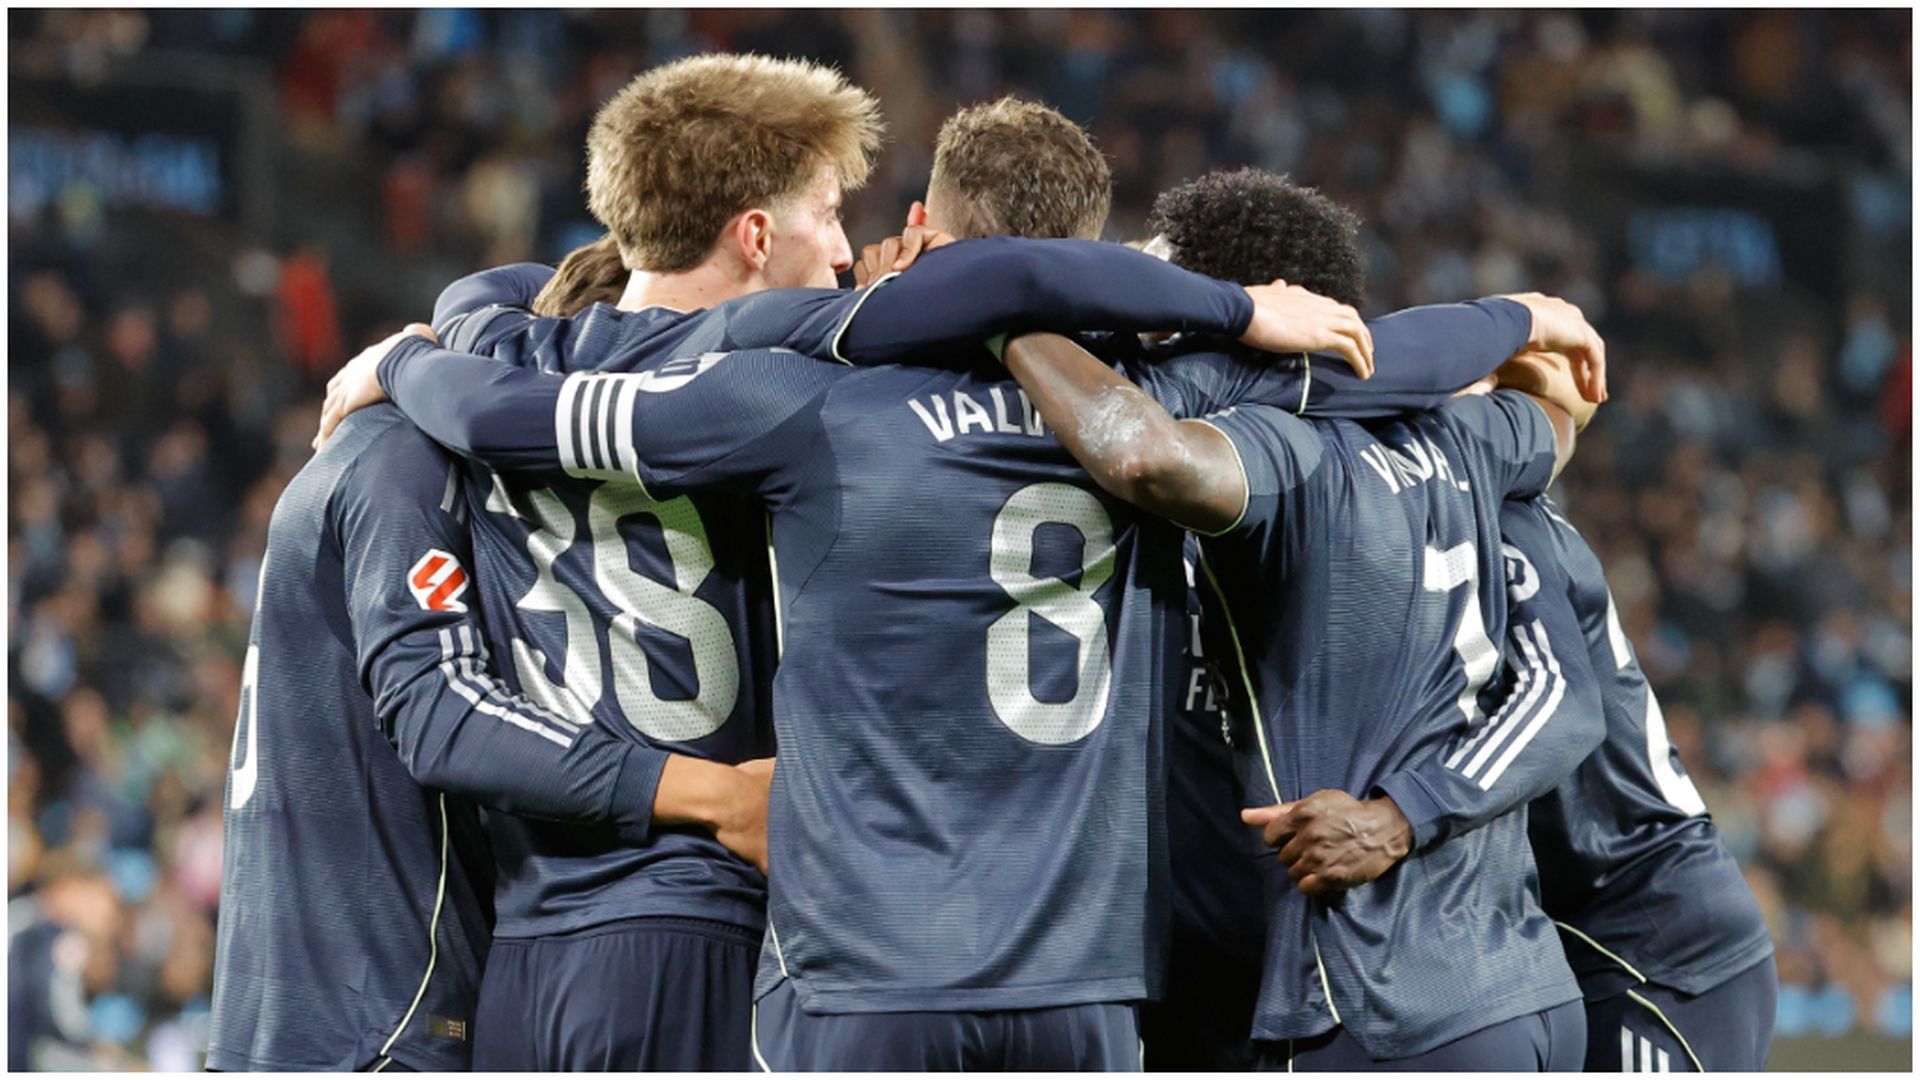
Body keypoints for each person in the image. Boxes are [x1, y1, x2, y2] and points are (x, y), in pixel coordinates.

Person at [327, 101, 1602, 1069]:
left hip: (859, 981)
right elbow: (1377, 365)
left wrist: (427, 345)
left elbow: (518, 417)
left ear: (924, 233)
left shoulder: (802, 397)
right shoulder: (1167, 388)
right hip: (1080, 983)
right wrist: (1515, 315)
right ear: (1096, 257)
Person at [995, 303, 1598, 1067]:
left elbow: (1150, 456)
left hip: (1379, 993)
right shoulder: (1471, 437)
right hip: (1524, 987)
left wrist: (1006, 317)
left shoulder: (1284, 450)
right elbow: (1561, 414)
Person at [203, 400, 769, 1072]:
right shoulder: (406, 461)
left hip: (291, 1009)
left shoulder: (352, 458)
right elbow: (440, 713)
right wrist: (716, 793)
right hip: (382, 1010)